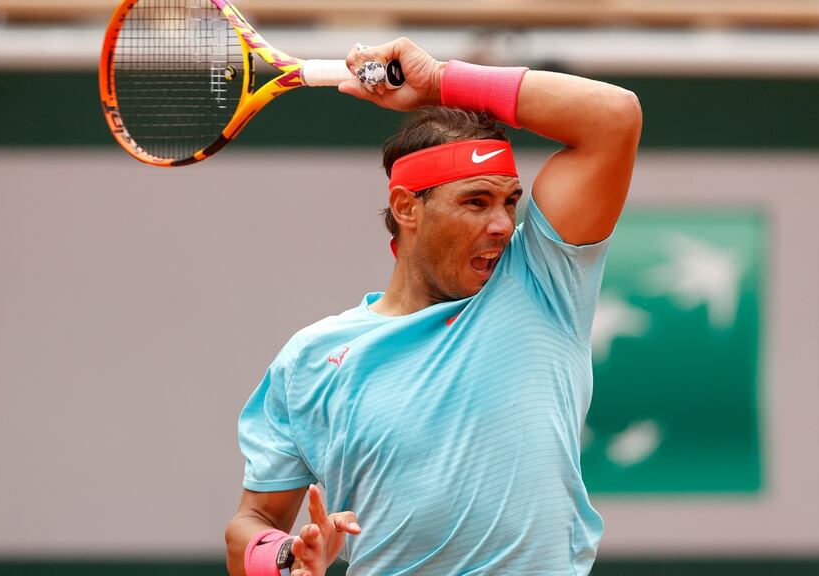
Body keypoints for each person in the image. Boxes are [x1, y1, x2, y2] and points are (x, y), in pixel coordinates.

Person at [224, 37, 641, 576]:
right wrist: (285, 555)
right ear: (406, 207)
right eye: (475, 202)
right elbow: (250, 524)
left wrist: (440, 79)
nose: (501, 224)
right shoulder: (311, 358)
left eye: (510, 201)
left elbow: (614, 116)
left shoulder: (543, 280)